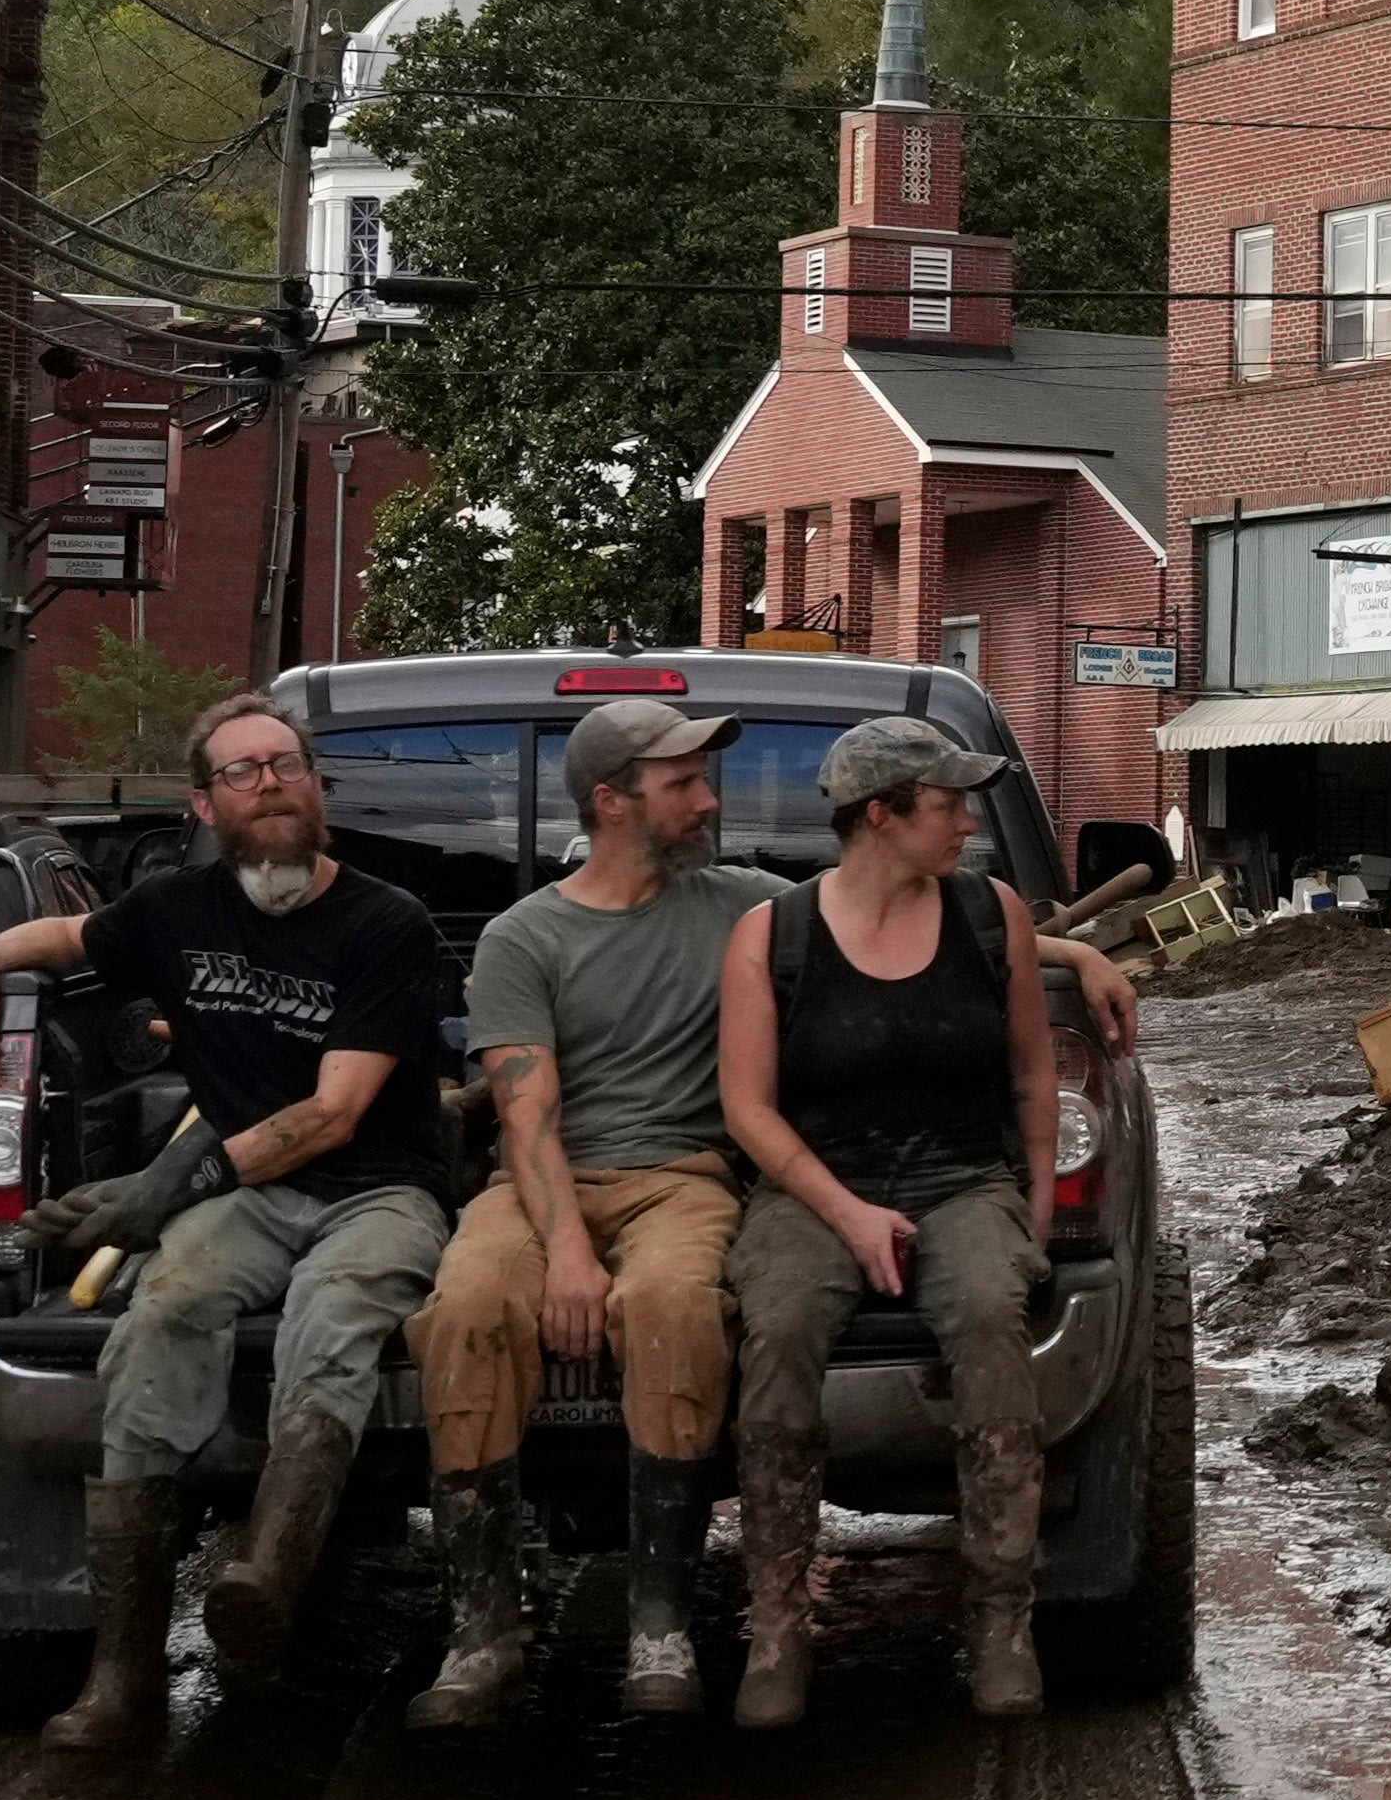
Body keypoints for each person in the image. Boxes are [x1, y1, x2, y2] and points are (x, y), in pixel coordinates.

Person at [0, 695, 460, 1748]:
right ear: (205, 805)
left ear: (316, 786)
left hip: (378, 1189)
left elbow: (333, 1114)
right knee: (160, 1314)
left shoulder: (386, 920)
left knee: (331, 1323)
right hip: (245, 1197)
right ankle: (122, 1675)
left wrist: (166, 1186)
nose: (269, 785)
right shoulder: (172, 909)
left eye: (286, 765)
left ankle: (266, 1583)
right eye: (242, 772)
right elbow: (61, 936)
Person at [715, 714, 1067, 1723]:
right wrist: (850, 1213)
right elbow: (748, 1108)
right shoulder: (772, 936)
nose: (968, 823)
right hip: (815, 1184)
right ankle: (778, 1626)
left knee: (993, 1318)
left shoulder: (990, 914)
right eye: (949, 805)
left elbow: (1033, 1070)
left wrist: (1037, 1208)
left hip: (962, 1177)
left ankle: (1000, 1619)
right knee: (779, 1327)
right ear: (881, 815)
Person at [416, 695, 758, 1727]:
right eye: (682, 783)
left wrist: (1069, 955)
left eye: (702, 779)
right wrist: (567, 1250)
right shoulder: (524, 936)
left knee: (673, 1305)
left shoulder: (744, 907)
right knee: (467, 1306)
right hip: (542, 1179)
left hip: (680, 1178)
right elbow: (527, 1117)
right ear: (612, 803)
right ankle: (482, 1631)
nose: (707, 801)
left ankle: (660, 1625)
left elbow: (889, 910)